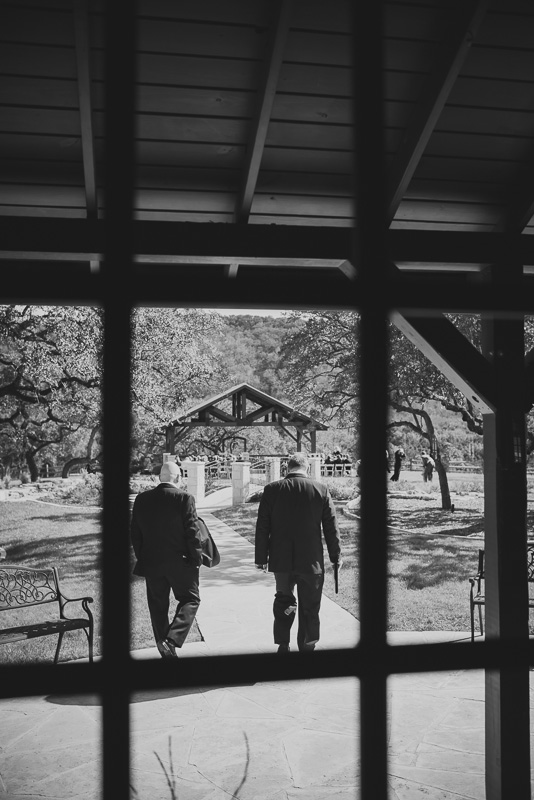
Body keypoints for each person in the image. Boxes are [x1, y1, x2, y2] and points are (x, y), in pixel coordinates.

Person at [254, 452, 343, 653]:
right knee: (310, 605)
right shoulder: (320, 489)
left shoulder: (272, 490)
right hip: (311, 561)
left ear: (287, 468)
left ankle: (283, 644)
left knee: (284, 602)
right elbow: (331, 527)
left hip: (281, 561)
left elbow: (263, 526)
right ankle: (307, 645)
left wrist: (261, 558)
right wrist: (335, 556)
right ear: (307, 469)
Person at [130, 460, 203, 659]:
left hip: (152, 563)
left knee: (157, 606)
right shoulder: (184, 498)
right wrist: (196, 558)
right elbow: (192, 533)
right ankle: (171, 641)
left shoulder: (142, 499)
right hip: (181, 562)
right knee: (191, 599)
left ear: (159, 477)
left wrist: (143, 556)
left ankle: (165, 650)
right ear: (178, 478)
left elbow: (135, 533)